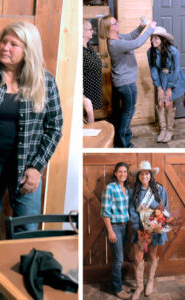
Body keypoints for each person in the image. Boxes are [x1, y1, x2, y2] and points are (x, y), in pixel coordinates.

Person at [0, 21, 62, 300]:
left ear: (28, 49)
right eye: (4, 41)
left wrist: (37, 167)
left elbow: (55, 127)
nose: (5, 47)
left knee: (27, 230)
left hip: (27, 169)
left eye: (13, 44)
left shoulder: (44, 81)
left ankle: (19, 291)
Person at [98, 15, 156, 148]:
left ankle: (121, 139)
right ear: (109, 28)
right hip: (126, 84)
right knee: (128, 111)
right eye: (114, 23)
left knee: (125, 111)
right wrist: (150, 29)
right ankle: (123, 143)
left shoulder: (119, 38)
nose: (117, 24)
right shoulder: (115, 44)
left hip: (124, 82)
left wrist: (141, 26)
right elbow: (136, 43)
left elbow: (131, 36)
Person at [128, 161, 168, 299]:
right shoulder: (134, 191)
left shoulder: (160, 189)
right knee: (138, 257)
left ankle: (149, 282)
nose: (144, 176)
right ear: (138, 175)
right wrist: (139, 227)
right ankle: (139, 286)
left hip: (154, 230)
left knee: (151, 256)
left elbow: (164, 208)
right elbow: (132, 211)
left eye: (147, 173)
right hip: (140, 230)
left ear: (150, 175)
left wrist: (157, 222)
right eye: (141, 173)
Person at [147, 26, 185, 143]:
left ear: (162, 39)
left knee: (168, 104)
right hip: (161, 79)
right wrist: (159, 88)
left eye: (156, 38)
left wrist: (169, 88)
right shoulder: (150, 52)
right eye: (152, 37)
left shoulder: (173, 51)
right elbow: (153, 70)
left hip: (174, 78)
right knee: (160, 103)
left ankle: (170, 131)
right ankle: (163, 130)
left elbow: (176, 69)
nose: (153, 40)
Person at [101, 162, 132, 299]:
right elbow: (105, 212)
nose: (122, 174)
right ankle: (117, 288)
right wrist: (110, 231)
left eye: (125, 171)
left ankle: (119, 283)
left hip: (125, 226)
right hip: (114, 227)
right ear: (115, 173)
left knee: (120, 257)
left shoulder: (127, 189)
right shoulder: (110, 188)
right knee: (118, 259)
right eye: (120, 171)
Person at [83, 19, 101, 123]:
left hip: (93, 90)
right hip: (86, 92)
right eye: (90, 29)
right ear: (83, 32)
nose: (92, 31)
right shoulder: (80, 49)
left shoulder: (89, 46)